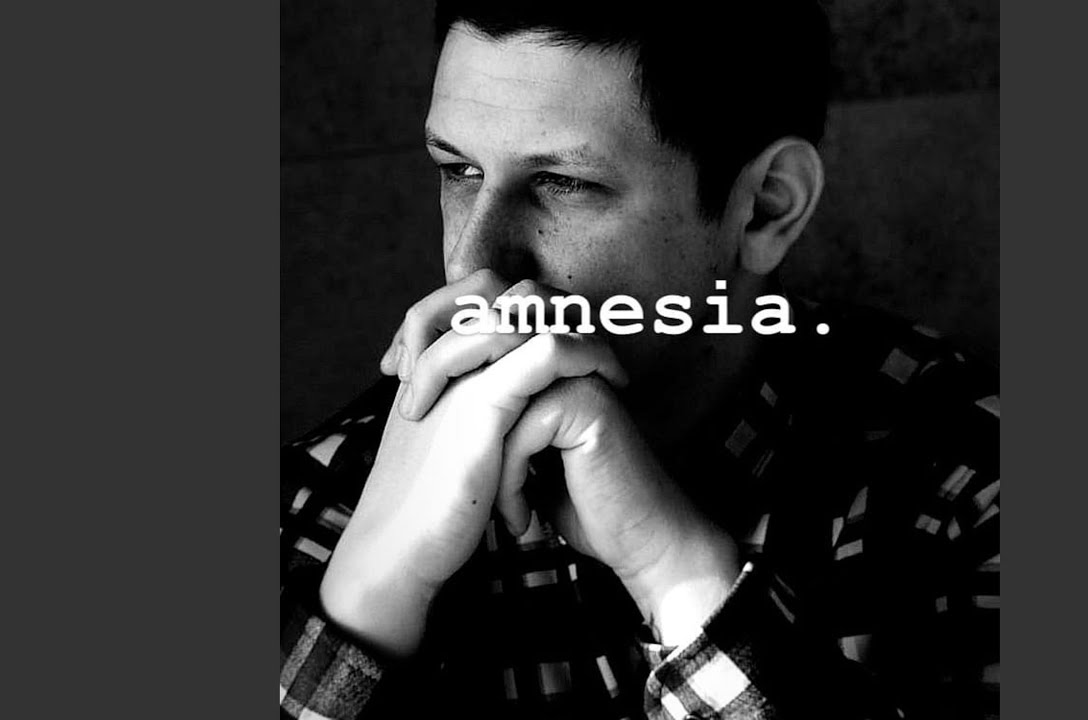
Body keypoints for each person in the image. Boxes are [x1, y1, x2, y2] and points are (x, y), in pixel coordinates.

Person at [280, 1, 999, 718]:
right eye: (459, 170)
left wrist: (678, 575)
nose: (473, 262)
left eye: (563, 183)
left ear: (765, 207)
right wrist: (367, 600)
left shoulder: (967, 488)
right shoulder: (321, 496)